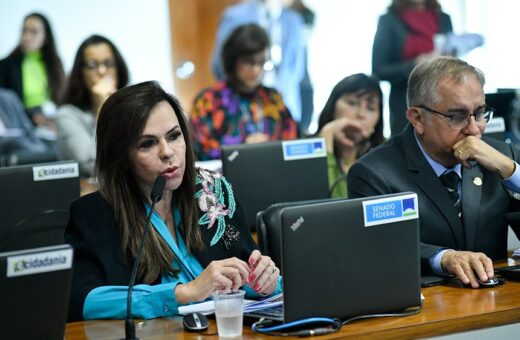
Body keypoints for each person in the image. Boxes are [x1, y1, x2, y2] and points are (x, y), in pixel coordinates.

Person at [65, 81, 281, 321]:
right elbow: (80, 301)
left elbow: (251, 274)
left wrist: (267, 281)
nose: (167, 152)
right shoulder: (95, 214)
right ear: (121, 156)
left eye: (174, 136)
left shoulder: (212, 191)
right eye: (147, 143)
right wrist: (184, 293)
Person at [347, 56, 520, 288]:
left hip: (498, 303)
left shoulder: (500, 157)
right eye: (457, 116)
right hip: (424, 310)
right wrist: (445, 258)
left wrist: (511, 170)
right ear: (418, 118)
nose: (474, 129)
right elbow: (382, 246)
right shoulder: (374, 172)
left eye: (479, 113)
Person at [191, 24, 298, 161]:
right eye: (249, 62)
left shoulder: (273, 98)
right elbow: (199, 148)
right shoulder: (210, 100)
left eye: (262, 63)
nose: (256, 70)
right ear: (233, 60)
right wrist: (243, 149)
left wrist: (269, 147)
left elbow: (292, 141)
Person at [211, 0, 305, 123]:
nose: (256, 68)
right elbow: (219, 64)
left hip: (284, 102)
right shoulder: (235, 16)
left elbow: (297, 69)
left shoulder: (294, 21)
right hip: (239, 105)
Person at [372, 0, 452, 136]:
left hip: (442, 98)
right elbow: (379, 70)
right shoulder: (389, 20)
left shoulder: (443, 18)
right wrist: (414, 65)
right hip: (405, 103)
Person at [56, 35, 129, 177]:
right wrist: (103, 108)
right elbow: (92, 167)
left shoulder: (132, 106)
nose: (102, 71)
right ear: (80, 72)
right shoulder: (67, 115)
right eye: (92, 65)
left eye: (109, 63)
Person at [316, 74, 384, 198]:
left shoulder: (386, 155)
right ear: (332, 106)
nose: (361, 114)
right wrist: (327, 135)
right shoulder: (304, 149)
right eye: (352, 103)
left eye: (370, 108)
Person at [0, 12, 65, 128]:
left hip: (51, 124)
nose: (26, 37)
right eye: (24, 31)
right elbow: (5, 107)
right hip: (21, 125)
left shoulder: (55, 63)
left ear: (46, 37)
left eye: (33, 32)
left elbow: (62, 100)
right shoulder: (6, 65)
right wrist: (32, 118)